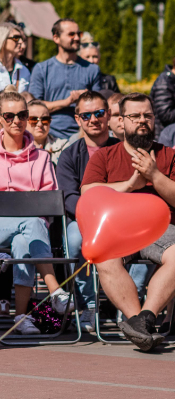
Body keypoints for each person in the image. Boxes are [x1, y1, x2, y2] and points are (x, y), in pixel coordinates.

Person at [81, 93, 175, 351]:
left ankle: (144, 319)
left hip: (160, 229)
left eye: (148, 115)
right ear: (121, 121)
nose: (142, 121)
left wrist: (155, 175)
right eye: (135, 116)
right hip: (118, 230)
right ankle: (137, 324)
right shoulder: (105, 156)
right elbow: (89, 193)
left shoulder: (171, 156)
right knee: (103, 255)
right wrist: (130, 185)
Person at [0, 92, 74, 332]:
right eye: (9, 115)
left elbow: (48, 204)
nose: (16, 121)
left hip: (32, 231)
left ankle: (21, 317)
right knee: (32, 222)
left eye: (22, 115)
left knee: (24, 241)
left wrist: (27, 207)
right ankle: (55, 289)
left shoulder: (42, 158)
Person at [57, 92, 116, 320]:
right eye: (87, 115)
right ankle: (87, 306)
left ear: (108, 115)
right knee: (74, 240)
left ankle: (128, 305)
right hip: (82, 220)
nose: (93, 119)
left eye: (99, 113)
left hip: (119, 219)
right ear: (77, 119)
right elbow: (68, 197)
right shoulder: (69, 155)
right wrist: (93, 216)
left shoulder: (123, 150)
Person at [29, 18, 103, 138]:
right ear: (56, 38)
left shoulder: (92, 69)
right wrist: (66, 102)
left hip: (84, 136)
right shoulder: (42, 69)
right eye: (71, 34)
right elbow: (34, 108)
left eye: (79, 34)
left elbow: (99, 108)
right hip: (50, 136)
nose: (77, 38)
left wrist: (86, 98)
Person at [0, 22, 31, 92]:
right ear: (3, 38)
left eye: (21, 38)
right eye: (16, 38)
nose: (20, 42)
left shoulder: (24, 70)